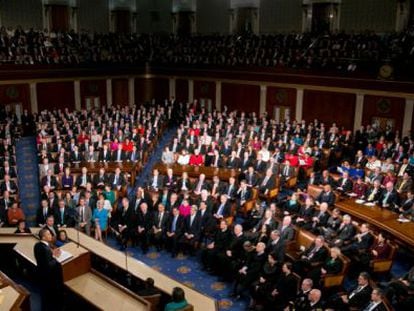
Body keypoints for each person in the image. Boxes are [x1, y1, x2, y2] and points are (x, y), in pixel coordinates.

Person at [34, 228, 64, 311]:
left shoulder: (37, 245)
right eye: (48, 234)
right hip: (49, 279)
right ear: (43, 238)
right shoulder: (45, 248)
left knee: (45, 299)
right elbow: (49, 265)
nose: (51, 235)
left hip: (42, 276)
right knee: (50, 301)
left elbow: (43, 259)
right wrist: (55, 257)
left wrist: (52, 254)